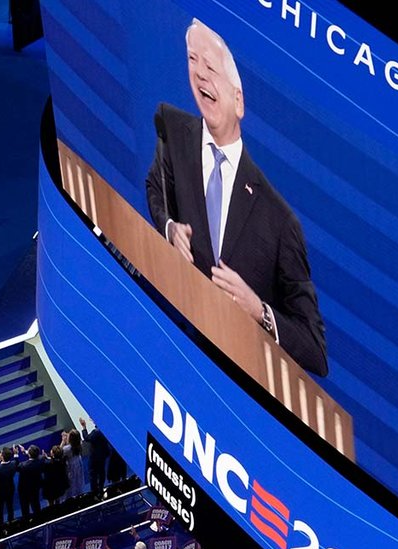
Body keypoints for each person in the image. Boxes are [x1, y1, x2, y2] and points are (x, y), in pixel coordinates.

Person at [144, 18, 328, 377]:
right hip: (171, 347)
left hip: (232, 384)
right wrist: (168, 228)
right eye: (192, 60)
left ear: (238, 100)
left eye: (210, 67)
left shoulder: (279, 221)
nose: (199, 75)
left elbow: (316, 352)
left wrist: (259, 311)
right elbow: (155, 188)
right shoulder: (172, 127)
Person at [80, 418, 110, 497]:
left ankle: (95, 492)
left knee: (93, 474)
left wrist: (84, 427)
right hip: (102, 455)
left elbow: (86, 438)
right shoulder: (105, 430)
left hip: (94, 458)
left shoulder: (96, 432)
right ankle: (100, 488)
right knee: (101, 472)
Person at [0, 446, 18, 525]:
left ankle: (1, 526)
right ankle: (11, 522)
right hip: (10, 489)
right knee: (10, 507)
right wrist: (15, 453)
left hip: (0, 493)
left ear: (2, 456)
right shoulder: (13, 464)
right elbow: (16, 461)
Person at [16, 444, 45, 518]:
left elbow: (17, 466)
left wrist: (16, 454)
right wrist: (26, 452)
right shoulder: (41, 459)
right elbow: (37, 456)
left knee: (25, 507)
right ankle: (39, 519)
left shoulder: (23, 466)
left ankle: (26, 521)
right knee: (36, 503)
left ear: (29, 454)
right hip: (36, 487)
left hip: (25, 490)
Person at [63, 429, 85, 499]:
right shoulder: (79, 444)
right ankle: (79, 493)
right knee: (78, 479)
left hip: (71, 465)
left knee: (72, 481)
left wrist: (63, 441)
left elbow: (59, 452)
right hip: (78, 462)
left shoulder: (66, 449)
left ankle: (70, 497)